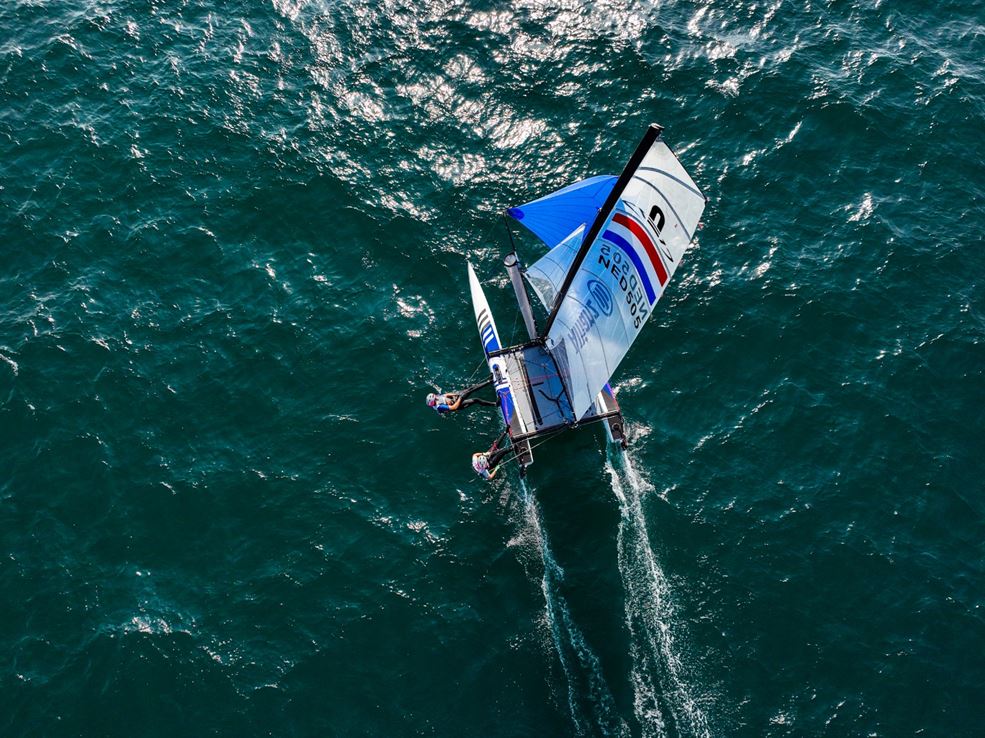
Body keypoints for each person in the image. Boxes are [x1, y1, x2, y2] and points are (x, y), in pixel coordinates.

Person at [426, 376, 496, 415]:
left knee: (470, 389)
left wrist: (457, 394)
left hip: (455, 398)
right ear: (434, 401)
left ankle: (489, 381)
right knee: (475, 399)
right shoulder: (440, 407)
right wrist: (460, 398)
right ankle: (495, 404)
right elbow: (454, 407)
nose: (436, 397)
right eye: (435, 398)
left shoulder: (437, 397)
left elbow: (446, 395)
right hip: (458, 404)